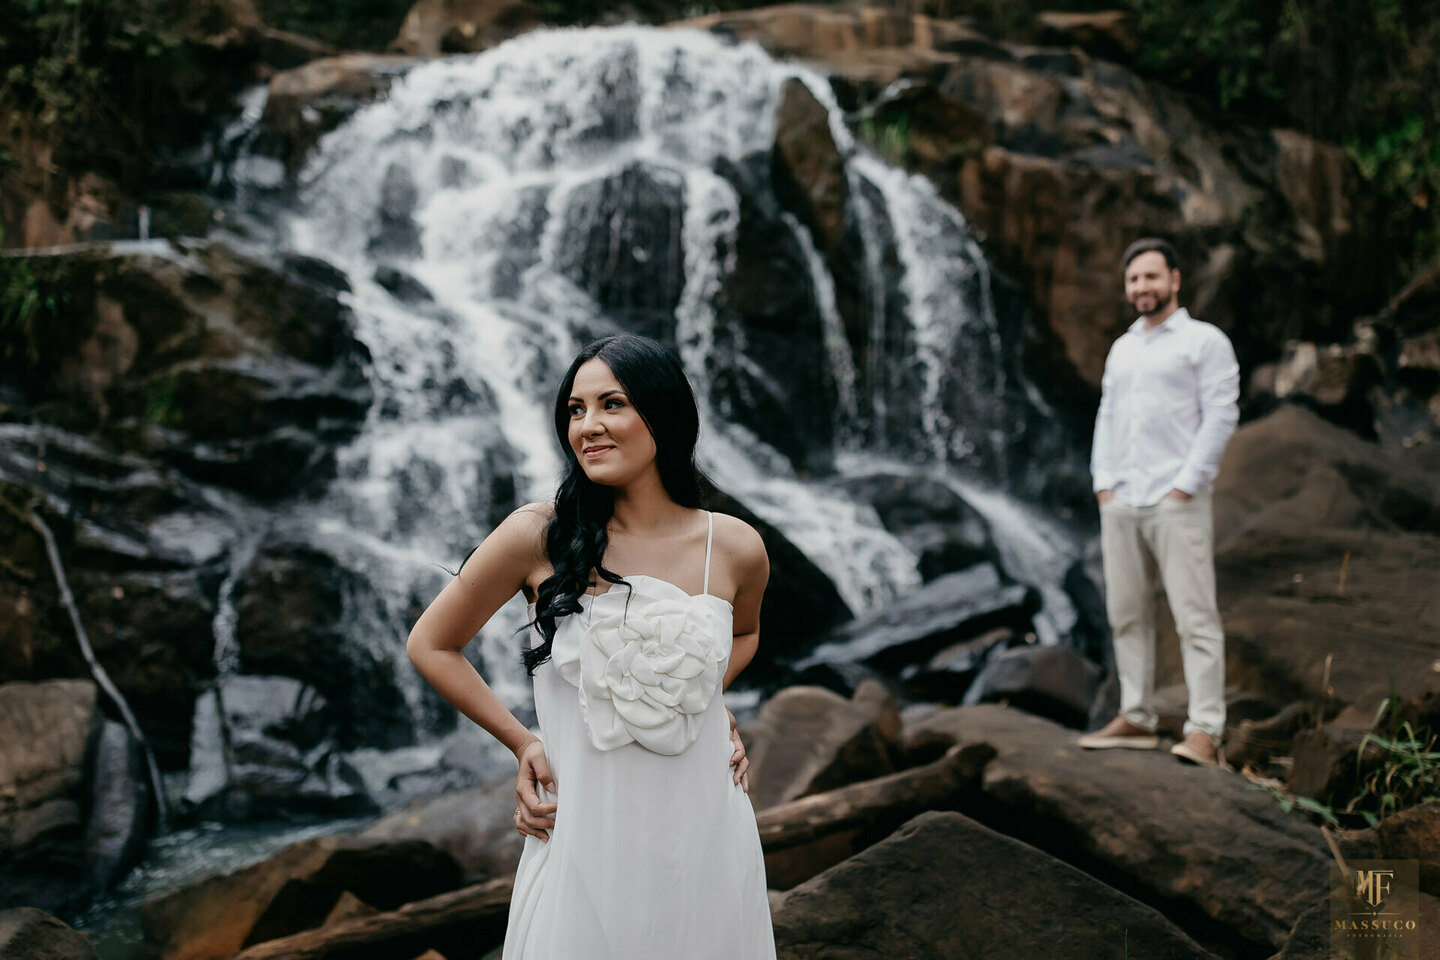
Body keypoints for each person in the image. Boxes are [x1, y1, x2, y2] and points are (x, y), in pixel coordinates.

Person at [407, 333, 776, 959]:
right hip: (586, 834)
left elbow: (743, 634)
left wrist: (699, 698)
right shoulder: (538, 535)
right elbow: (432, 644)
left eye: (612, 404)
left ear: (664, 414)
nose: (588, 427)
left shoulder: (735, 546)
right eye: (575, 410)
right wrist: (523, 741)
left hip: (708, 832)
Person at [1079, 238, 1239, 767]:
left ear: (1174, 279)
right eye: (1133, 280)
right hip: (1122, 500)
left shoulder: (1204, 341)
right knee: (1126, 614)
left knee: (1195, 617)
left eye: (1150, 277)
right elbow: (1107, 415)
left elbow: (1221, 414)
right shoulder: (1123, 348)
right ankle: (1136, 715)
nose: (1141, 287)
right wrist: (1104, 482)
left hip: (1176, 499)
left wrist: (1186, 485)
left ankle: (1206, 730)